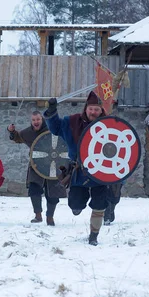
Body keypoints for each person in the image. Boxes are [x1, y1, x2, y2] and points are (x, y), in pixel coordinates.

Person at [44, 91, 108, 246]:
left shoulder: (109, 126)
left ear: (101, 111)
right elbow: (56, 128)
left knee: (100, 204)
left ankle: (94, 235)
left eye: (96, 109)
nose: (93, 112)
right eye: (91, 109)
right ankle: (77, 207)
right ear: (86, 108)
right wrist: (52, 111)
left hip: (101, 173)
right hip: (80, 172)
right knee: (75, 203)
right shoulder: (71, 122)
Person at [8, 111, 66, 226]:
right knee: (34, 189)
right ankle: (38, 215)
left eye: (38, 119)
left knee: (53, 193)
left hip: (54, 165)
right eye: (34, 120)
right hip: (37, 165)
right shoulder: (28, 132)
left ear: (42, 119)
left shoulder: (52, 129)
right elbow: (17, 138)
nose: (36, 122)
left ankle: (50, 217)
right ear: (31, 121)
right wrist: (11, 131)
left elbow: (65, 139)